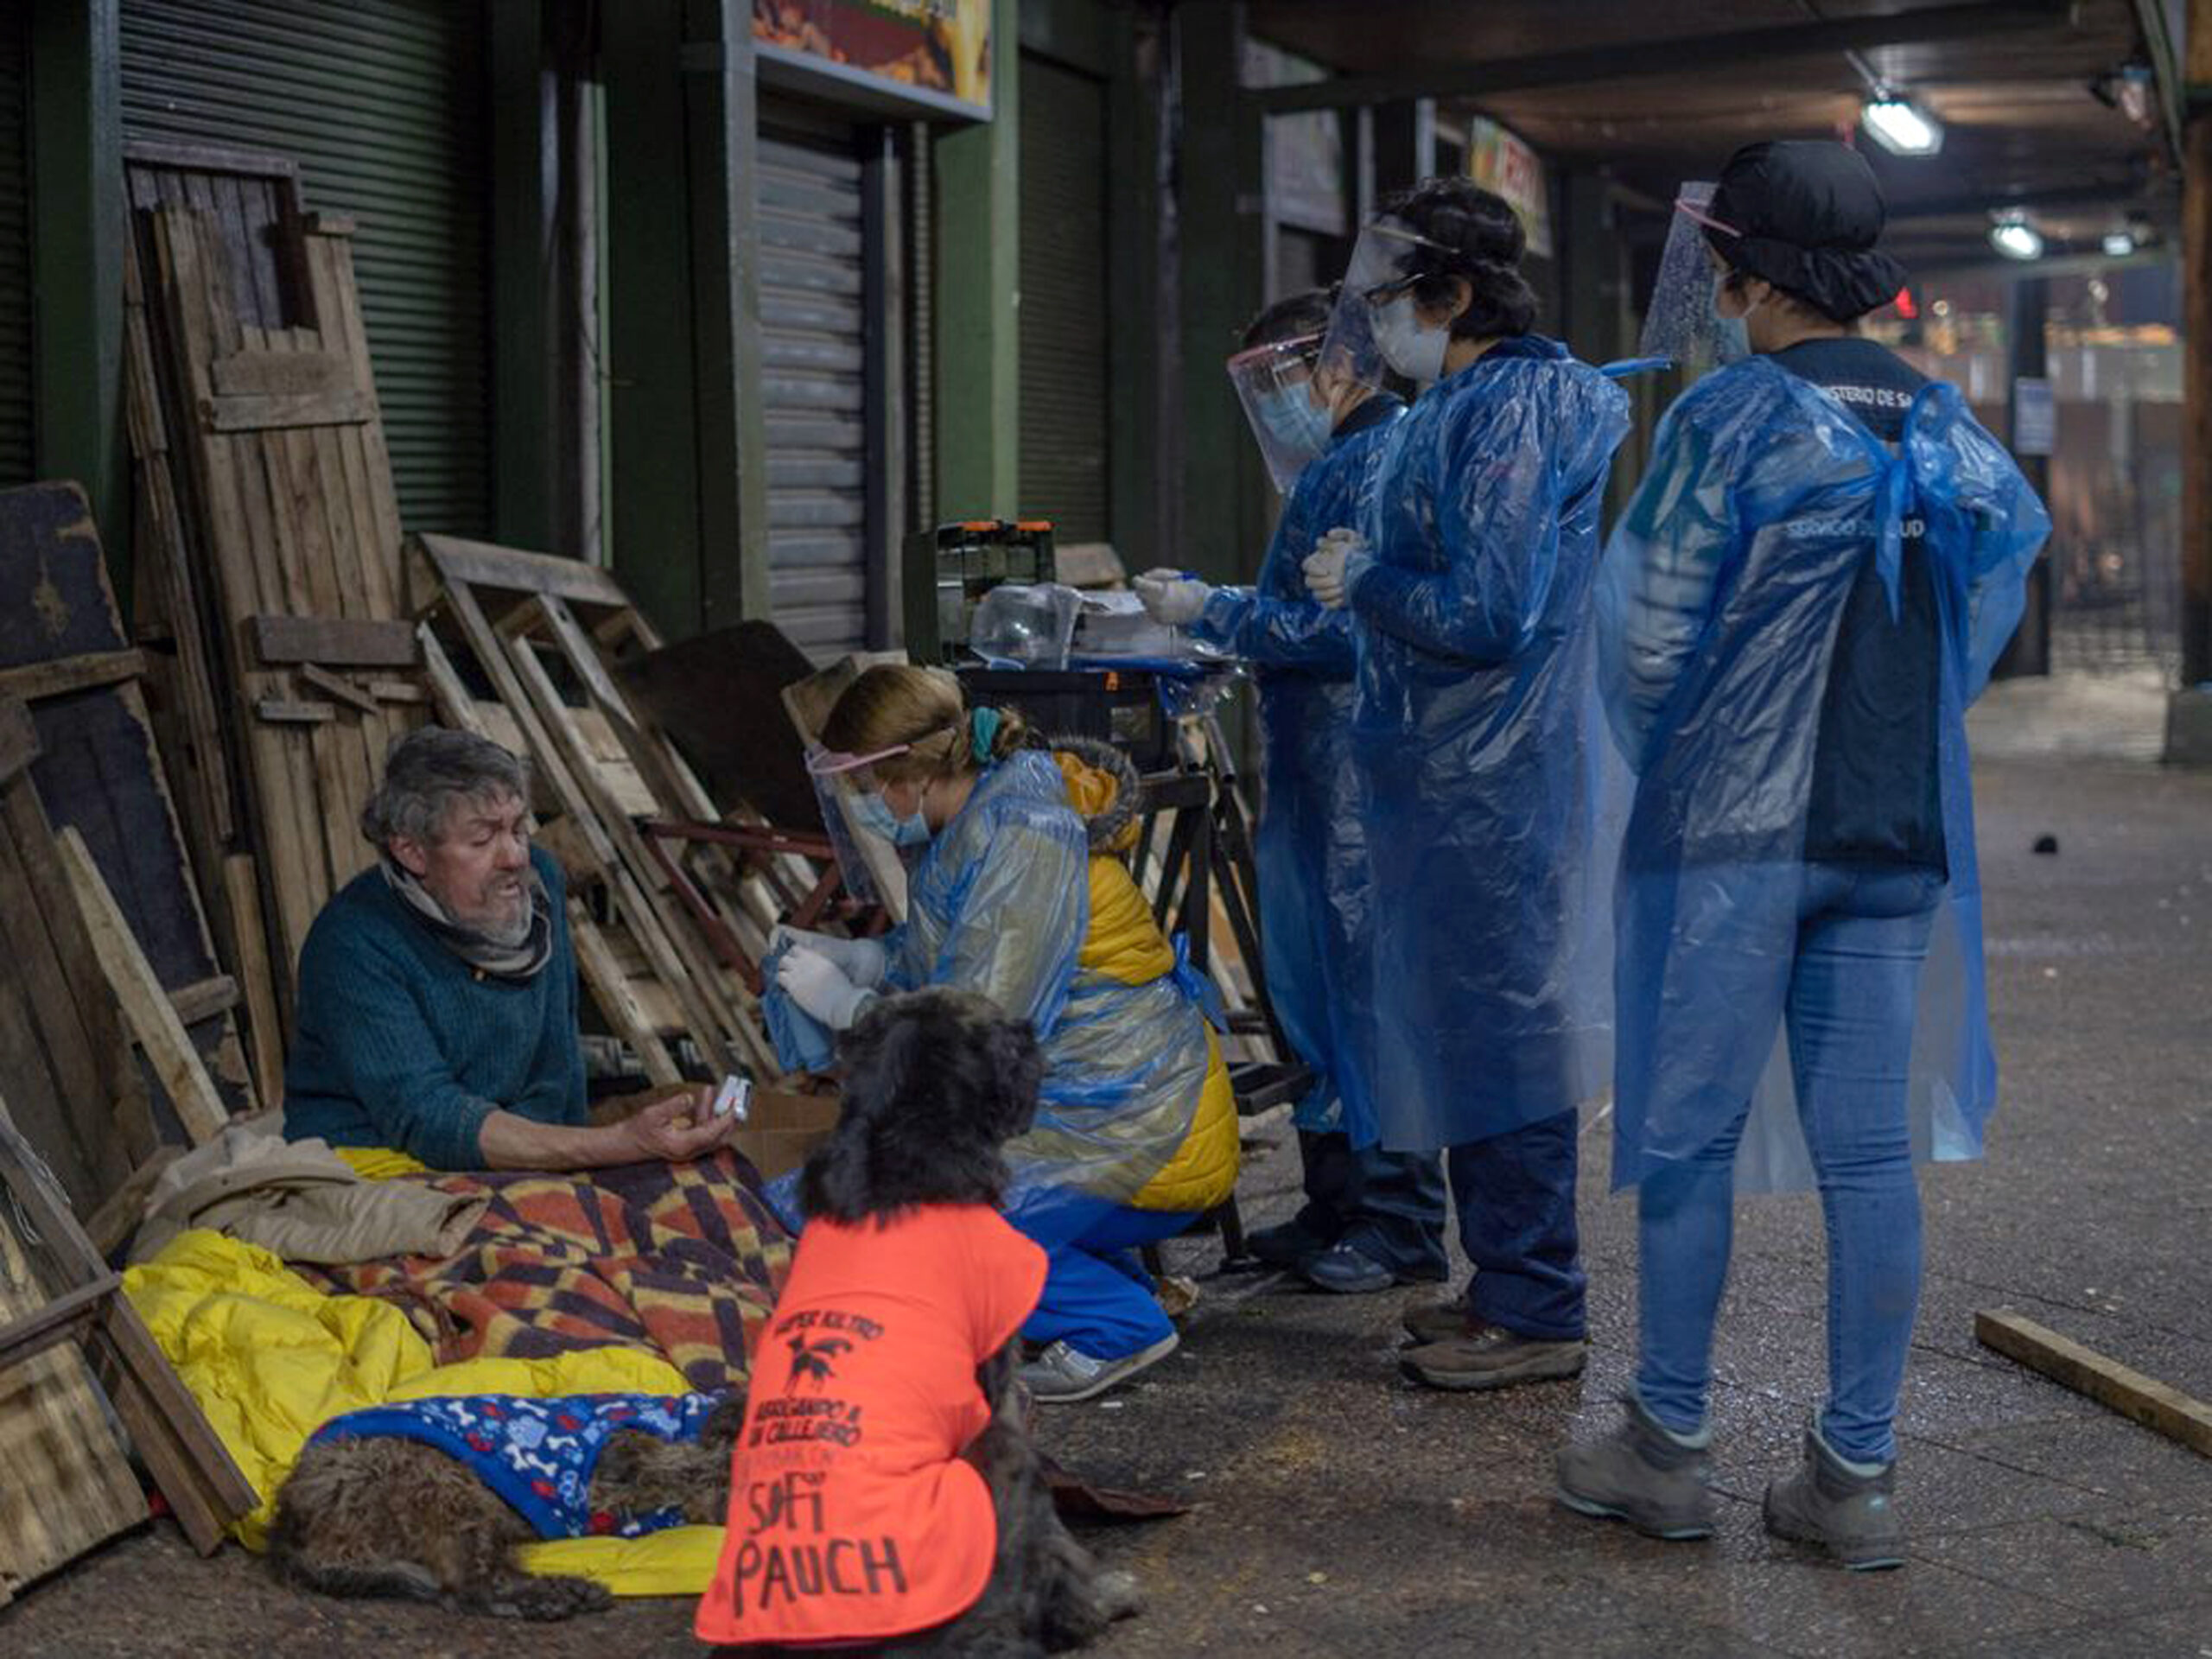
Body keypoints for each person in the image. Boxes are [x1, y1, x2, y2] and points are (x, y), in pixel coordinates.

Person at [1555, 141, 2049, 1568]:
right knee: (1868, 1154)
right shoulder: (1946, 428)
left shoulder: (1732, 420)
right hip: (1890, 841)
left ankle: (1667, 1449)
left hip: (1729, 840)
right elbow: (1994, 584)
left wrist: (1689, 752)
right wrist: (1902, 720)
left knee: (1688, 1136)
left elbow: (1640, 633)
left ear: (1750, 277)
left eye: (1719, 268)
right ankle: (1856, 1478)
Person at [1301, 177, 1630, 1391]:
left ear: (1453, 295)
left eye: (1385, 301)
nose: (1370, 326)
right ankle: (1502, 1280)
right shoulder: (1472, 400)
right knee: (1467, 1030)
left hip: (1495, 785)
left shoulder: (1514, 409)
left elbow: (1490, 611)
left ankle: (1540, 1305)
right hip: (1454, 779)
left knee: (1504, 1036)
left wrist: (1365, 582)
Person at [773, 666, 1239, 1402]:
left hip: (1139, 1123)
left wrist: (846, 1007)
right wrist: (867, 959)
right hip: (1099, 1105)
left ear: (908, 777)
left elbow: (977, 1024)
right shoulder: (978, 816)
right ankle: (1093, 1273)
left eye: (864, 790)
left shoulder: (1023, 833)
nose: (863, 810)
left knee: (922, 1219)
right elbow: (954, 956)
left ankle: (1121, 1325)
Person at [1133, 289, 1448, 1295]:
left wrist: (1217, 613)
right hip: (1317, 780)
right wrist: (1227, 636)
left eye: (1281, 377)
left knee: (1370, 1005)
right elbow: (1297, 617)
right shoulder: (1336, 466)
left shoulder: (1379, 460)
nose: (1274, 403)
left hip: (1360, 778)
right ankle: (1336, 1202)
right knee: (1315, 998)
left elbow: (1357, 627)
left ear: (1336, 364)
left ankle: (1398, 1220)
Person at [284, 727, 737, 1171]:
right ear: (412, 853)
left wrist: (595, 1165)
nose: (515, 857)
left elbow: (558, 1067)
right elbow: (428, 1117)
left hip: (524, 1152)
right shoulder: (353, 942)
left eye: (518, 829)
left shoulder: (540, 879)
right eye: (483, 839)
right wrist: (615, 1143)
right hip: (380, 1160)